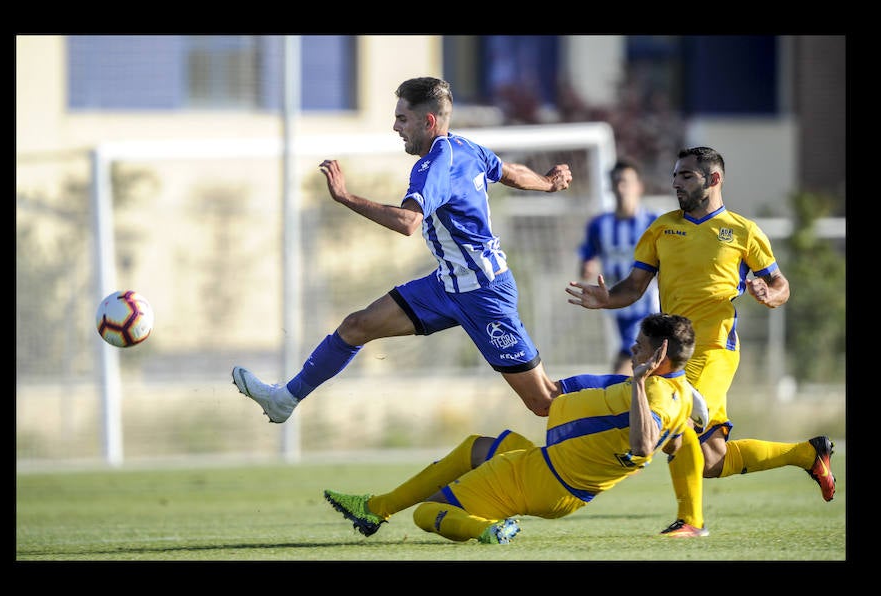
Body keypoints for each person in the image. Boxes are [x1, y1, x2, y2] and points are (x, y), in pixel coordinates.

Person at [231, 76, 572, 424]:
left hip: (484, 293)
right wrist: (547, 183)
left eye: (402, 118)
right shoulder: (468, 149)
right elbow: (509, 172)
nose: (395, 127)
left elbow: (408, 222)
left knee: (544, 401)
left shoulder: (434, 165)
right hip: (447, 286)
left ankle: (624, 396)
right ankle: (285, 399)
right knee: (357, 325)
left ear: (428, 121)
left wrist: (346, 197)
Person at [566, 146, 836, 537]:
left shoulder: (743, 231)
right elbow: (633, 287)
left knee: (677, 424)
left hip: (714, 349)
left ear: (714, 179)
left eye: (686, 176)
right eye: (675, 175)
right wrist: (606, 298)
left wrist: (768, 294)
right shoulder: (661, 228)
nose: (676, 182)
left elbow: (781, 286)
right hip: (673, 353)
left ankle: (691, 522)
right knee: (711, 460)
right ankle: (808, 454)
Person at [324, 313, 697, 544]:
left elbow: (645, 446)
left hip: (545, 477)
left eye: (640, 345)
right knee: (477, 447)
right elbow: (671, 441)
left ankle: (484, 528)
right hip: (556, 472)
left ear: (658, 356)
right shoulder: (678, 390)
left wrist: (636, 384)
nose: (633, 349)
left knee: (427, 513)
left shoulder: (653, 392)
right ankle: (377, 508)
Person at [577, 159, 660, 374]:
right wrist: (587, 266)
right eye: (616, 183)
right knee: (643, 368)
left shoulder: (654, 223)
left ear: (639, 187)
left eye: (626, 182)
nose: (621, 188)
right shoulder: (599, 225)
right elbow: (588, 256)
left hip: (646, 306)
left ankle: (611, 400)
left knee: (625, 362)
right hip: (615, 306)